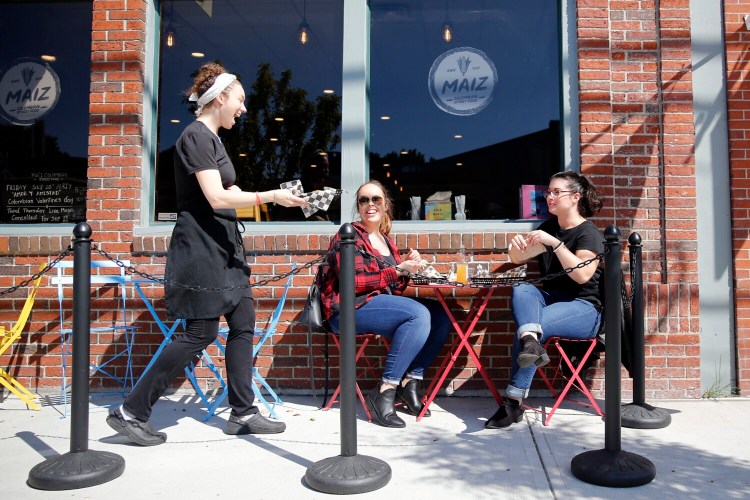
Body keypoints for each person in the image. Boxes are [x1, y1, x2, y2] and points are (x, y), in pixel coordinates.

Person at [106, 62, 308, 446]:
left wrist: (275, 197)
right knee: (200, 332)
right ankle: (132, 411)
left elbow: (224, 193)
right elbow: (216, 197)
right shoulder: (196, 137)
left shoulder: (212, 139)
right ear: (220, 98)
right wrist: (270, 197)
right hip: (200, 250)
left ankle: (243, 412)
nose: (244, 109)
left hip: (224, 250)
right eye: (241, 100)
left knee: (243, 319)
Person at [319, 180, 452, 428]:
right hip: (347, 310)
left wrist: (408, 270)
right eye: (364, 200)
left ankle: (410, 383)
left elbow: (393, 290)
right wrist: (398, 269)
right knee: (418, 314)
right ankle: (384, 391)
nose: (370, 204)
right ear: (358, 206)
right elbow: (353, 283)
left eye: (376, 199)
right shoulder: (348, 235)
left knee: (440, 315)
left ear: (385, 205)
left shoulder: (387, 241)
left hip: (373, 304)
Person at [485, 171, 604, 429]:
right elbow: (518, 259)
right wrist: (516, 247)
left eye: (556, 192)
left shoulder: (588, 233)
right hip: (552, 301)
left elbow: (583, 275)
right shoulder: (548, 227)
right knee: (523, 289)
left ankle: (512, 403)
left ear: (575, 197)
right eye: (547, 192)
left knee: (532, 326)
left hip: (584, 309)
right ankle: (530, 343)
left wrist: (556, 244)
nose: (549, 197)